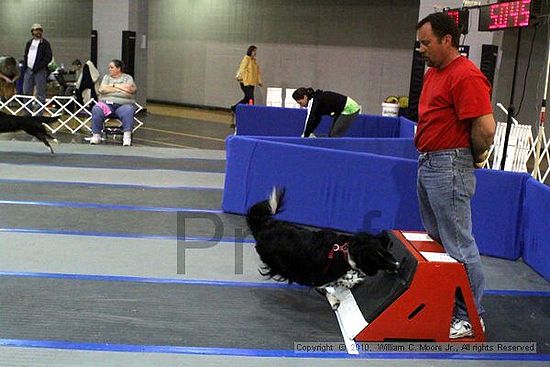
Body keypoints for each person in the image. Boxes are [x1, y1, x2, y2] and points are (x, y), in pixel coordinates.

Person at [415, 12, 496, 339]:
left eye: (426, 42)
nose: (421, 49)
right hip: (429, 163)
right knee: (439, 241)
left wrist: (474, 157)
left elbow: (486, 127)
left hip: (449, 165)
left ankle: (472, 318)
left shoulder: (466, 75)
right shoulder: (434, 73)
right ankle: (449, 305)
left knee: (459, 246)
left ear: (447, 40)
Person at [90, 59, 137, 146]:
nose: (109, 69)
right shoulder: (106, 77)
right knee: (97, 108)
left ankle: (127, 136)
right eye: (109, 67)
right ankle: (96, 135)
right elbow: (102, 89)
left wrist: (112, 87)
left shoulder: (127, 78)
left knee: (129, 110)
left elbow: (129, 90)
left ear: (118, 68)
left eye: (111, 67)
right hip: (107, 104)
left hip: (123, 105)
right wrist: (120, 89)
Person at [292, 87, 361, 137]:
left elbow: (310, 118)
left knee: (334, 135)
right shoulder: (315, 101)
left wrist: (305, 135)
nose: (301, 105)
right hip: (341, 109)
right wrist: (309, 132)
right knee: (332, 135)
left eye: (300, 102)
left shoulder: (313, 101)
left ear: (305, 97)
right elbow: (316, 119)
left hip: (350, 109)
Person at [23, 23, 53, 114]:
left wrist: (39, 66)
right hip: (29, 70)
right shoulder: (29, 43)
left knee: (40, 93)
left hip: (40, 71)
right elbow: (26, 55)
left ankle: (39, 114)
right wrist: (26, 66)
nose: (38, 32)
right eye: (36, 30)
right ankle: (27, 113)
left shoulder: (45, 43)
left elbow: (48, 57)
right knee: (26, 92)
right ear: (32, 32)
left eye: (40, 30)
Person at [231, 45, 262, 111]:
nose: (255, 53)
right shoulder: (246, 59)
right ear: (250, 51)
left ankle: (235, 108)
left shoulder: (254, 62)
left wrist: (259, 81)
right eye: (254, 51)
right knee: (251, 98)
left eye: (255, 51)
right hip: (245, 83)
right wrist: (241, 77)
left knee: (247, 98)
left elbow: (257, 72)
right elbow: (242, 69)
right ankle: (251, 111)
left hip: (251, 83)